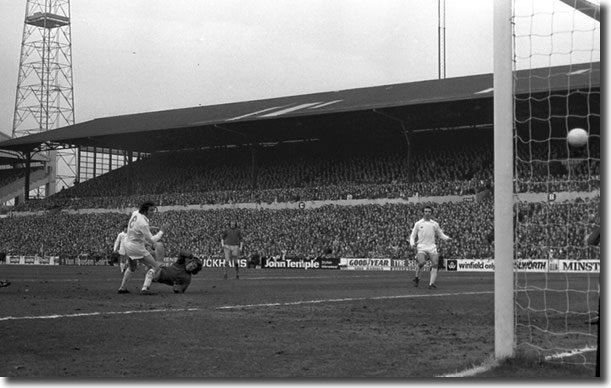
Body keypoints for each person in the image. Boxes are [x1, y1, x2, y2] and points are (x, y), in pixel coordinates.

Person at [117, 201, 168, 295]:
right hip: (136, 247)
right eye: (151, 210)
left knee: (132, 267)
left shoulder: (135, 213)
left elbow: (136, 227)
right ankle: (145, 288)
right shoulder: (143, 223)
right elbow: (152, 240)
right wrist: (162, 231)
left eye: (154, 210)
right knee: (155, 266)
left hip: (128, 244)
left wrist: (150, 228)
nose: (153, 212)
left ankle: (122, 288)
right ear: (145, 211)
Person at [409, 205, 452, 289]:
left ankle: (431, 284)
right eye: (426, 211)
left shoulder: (435, 224)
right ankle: (417, 278)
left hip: (432, 246)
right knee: (421, 263)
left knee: (435, 264)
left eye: (429, 212)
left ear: (431, 213)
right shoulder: (418, 224)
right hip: (421, 246)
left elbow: (440, 234)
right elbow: (412, 235)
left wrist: (447, 238)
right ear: (423, 213)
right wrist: (412, 243)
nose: (427, 213)